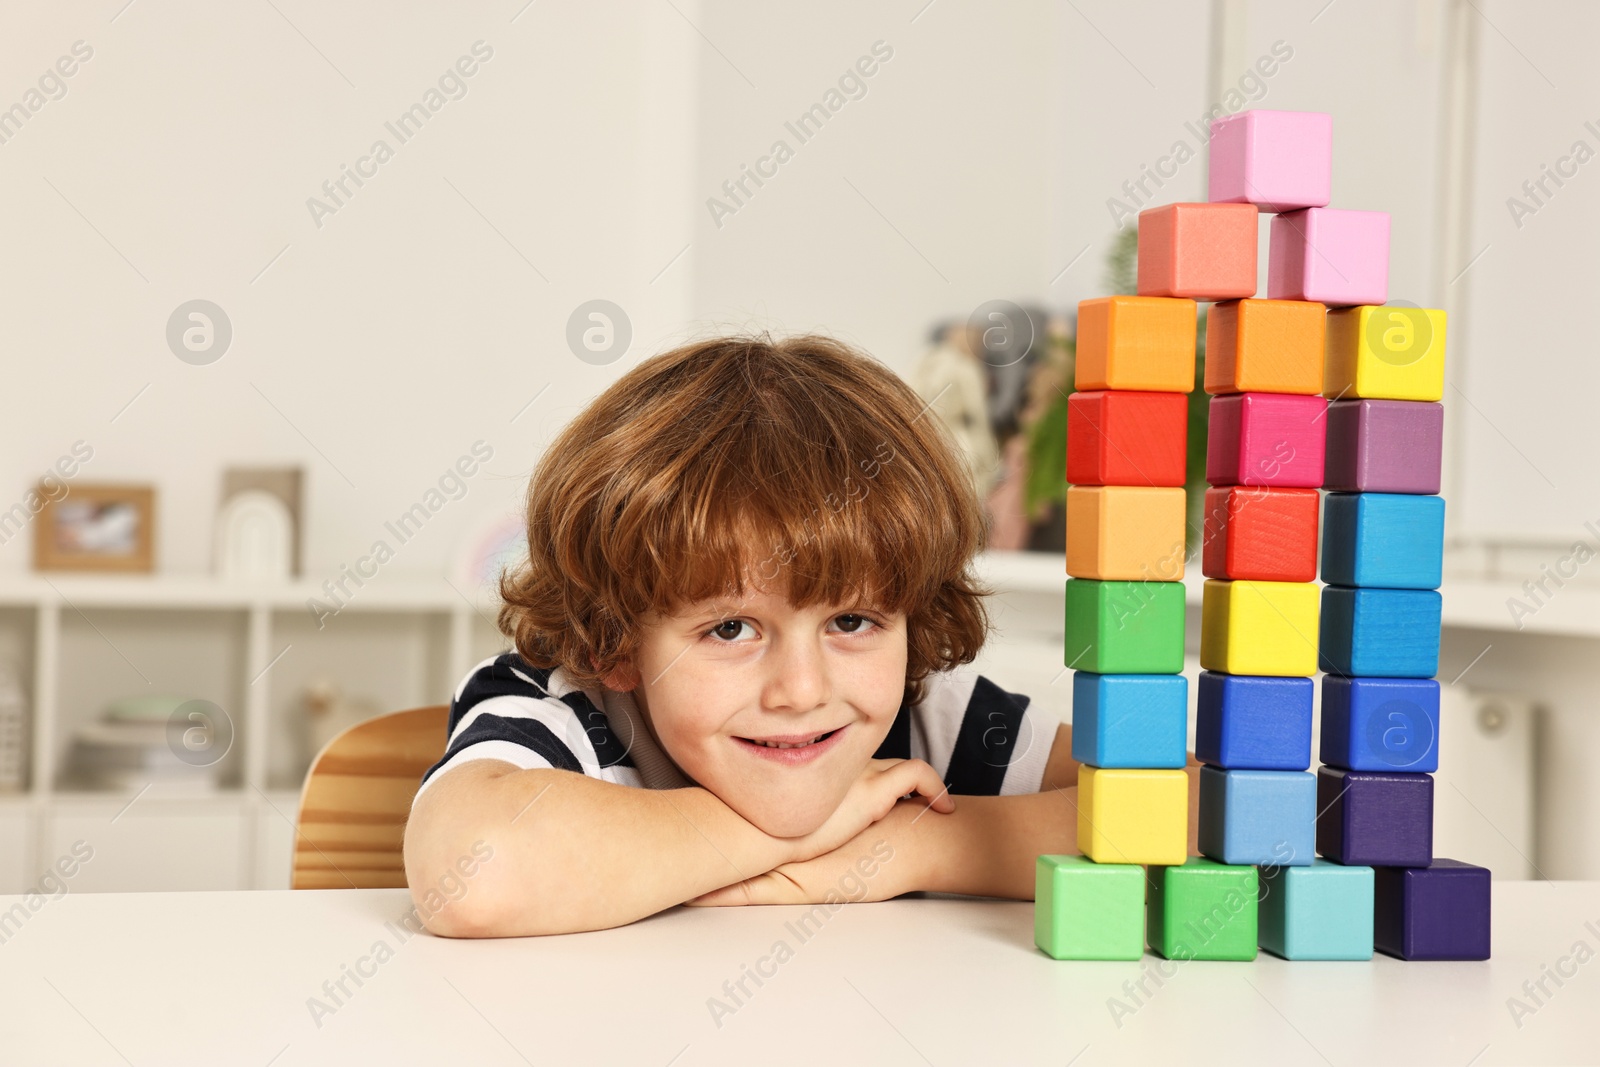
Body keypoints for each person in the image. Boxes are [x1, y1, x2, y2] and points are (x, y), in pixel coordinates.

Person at [402, 333, 1201, 937]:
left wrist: (915, 846)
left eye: (852, 621)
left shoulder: (926, 718)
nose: (804, 690)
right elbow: (474, 874)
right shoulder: (558, 708)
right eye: (731, 627)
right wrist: (801, 828)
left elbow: (1203, 808)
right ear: (614, 639)